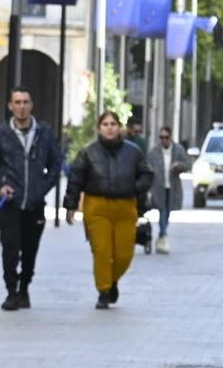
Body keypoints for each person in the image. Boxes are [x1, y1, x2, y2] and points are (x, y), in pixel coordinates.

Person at [0, 87, 64, 311]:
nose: (21, 107)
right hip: (10, 203)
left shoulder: (44, 132)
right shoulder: (1, 134)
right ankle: (11, 291)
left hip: (35, 204)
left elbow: (57, 163)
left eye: (25, 102)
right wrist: (0, 187)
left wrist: (43, 187)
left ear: (31, 105)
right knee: (10, 248)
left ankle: (24, 288)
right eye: (17, 102)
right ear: (10, 106)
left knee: (30, 250)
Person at [65, 110, 153, 309]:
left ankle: (112, 280)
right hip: (97, 206)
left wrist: (135, 188)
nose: (110, 128)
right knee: (102, 250)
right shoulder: (88, 152)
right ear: (99, 128)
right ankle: (103, 291)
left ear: (119, 127)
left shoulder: (133, 152)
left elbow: (147, 173)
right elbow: (76, 178)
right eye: (105, 124)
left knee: (124, 254)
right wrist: (70, 204)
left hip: (125, 206)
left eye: (113, 124)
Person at [147, 126, 187, 255]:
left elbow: (187, 165)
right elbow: (148, 167)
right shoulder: (154, 152)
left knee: (168, 211)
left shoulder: (178, 150)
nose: (164, 140)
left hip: (173, 186)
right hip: (158, 187)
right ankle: (163, 236)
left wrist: (178, 166)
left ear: (170, 137)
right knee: (162, 210)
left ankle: (161, 235)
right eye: (161, 137)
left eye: (166, 137)